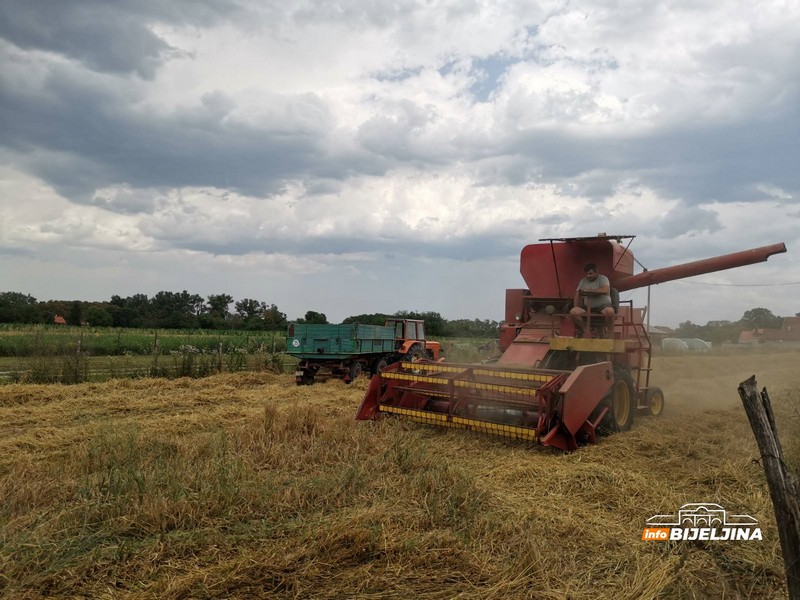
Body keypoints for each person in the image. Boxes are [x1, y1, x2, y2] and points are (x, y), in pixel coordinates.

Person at [569, 263, 615, 337]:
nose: (588, 276)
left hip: (603, 306)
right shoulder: (583, 281)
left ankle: (610, 335)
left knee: (610, 312)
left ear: (596, 272)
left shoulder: (603, 279)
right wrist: (576, 306)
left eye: (590, 273)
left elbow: (605, 290)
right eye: (587, 274)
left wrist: (589, 291)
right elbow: (578, 293)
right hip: (587, 307)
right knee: (573, 312)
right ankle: (587, 331)